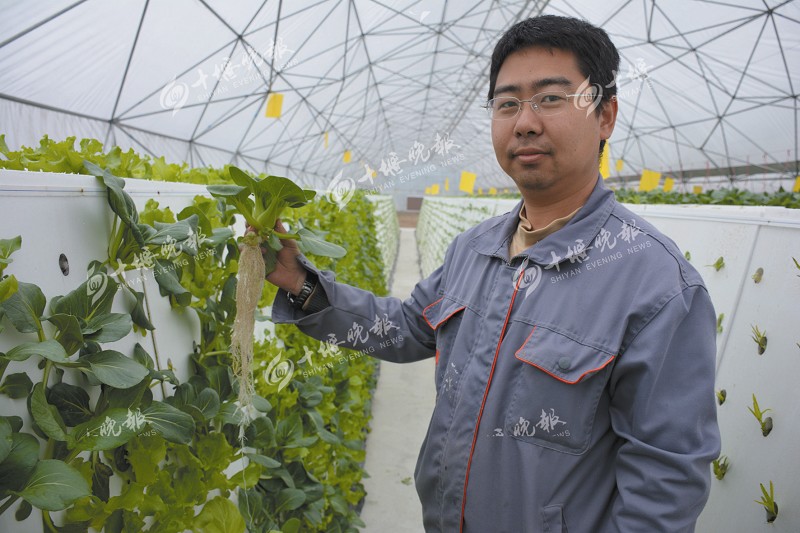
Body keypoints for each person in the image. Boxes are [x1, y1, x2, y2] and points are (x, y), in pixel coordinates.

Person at [266, 14, 720, 533]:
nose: (525, 122)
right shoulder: (474, 249)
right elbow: (407, 328)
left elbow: (666, 484)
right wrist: (302, 285)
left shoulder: (657, 286)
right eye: (507, 104)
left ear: (605, 115)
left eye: (551, 98)